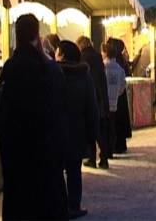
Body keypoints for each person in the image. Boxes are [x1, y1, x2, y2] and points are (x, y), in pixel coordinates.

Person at [0, 14, 68, 220]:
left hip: (16, 150)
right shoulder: (50, 69)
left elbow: (3, 111)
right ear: (37, 34)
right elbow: (60, 109)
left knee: (19, 201)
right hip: (46, 148)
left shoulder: (11, 68)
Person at [56, 40, 98, 219]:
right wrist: (92, 135)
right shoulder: (84, 76)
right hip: (77, 130)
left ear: (63, 54)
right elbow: (91, 108)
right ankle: (74, 206)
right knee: (74, 170)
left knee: (56, 170)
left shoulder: (53, 73)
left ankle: (58, 205)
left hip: (56, 131)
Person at [76, 36, 110, 169]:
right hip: (100, 96)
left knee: (90, 128)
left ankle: (91, 158)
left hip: (90, 95)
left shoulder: (82, 57)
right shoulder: (97, 56)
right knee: (101, 129)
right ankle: (104, 158)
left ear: (81, 45)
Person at [106, 38, 132, 153]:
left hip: (115, 96)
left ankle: (115, 144)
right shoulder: (121, 61)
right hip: (120, 95)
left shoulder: (112, 63)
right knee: (120, 121)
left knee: (115, 121)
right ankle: (120, 144)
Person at [101, 42, 127, 160]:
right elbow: (123, 85)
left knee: (104, 127)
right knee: (112, 126)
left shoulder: (103, 67)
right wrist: (116, 93)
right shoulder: (119, 68)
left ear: (105, 53)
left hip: (105, 102)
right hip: (114, 101)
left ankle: (105, 151)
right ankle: (111, 149)